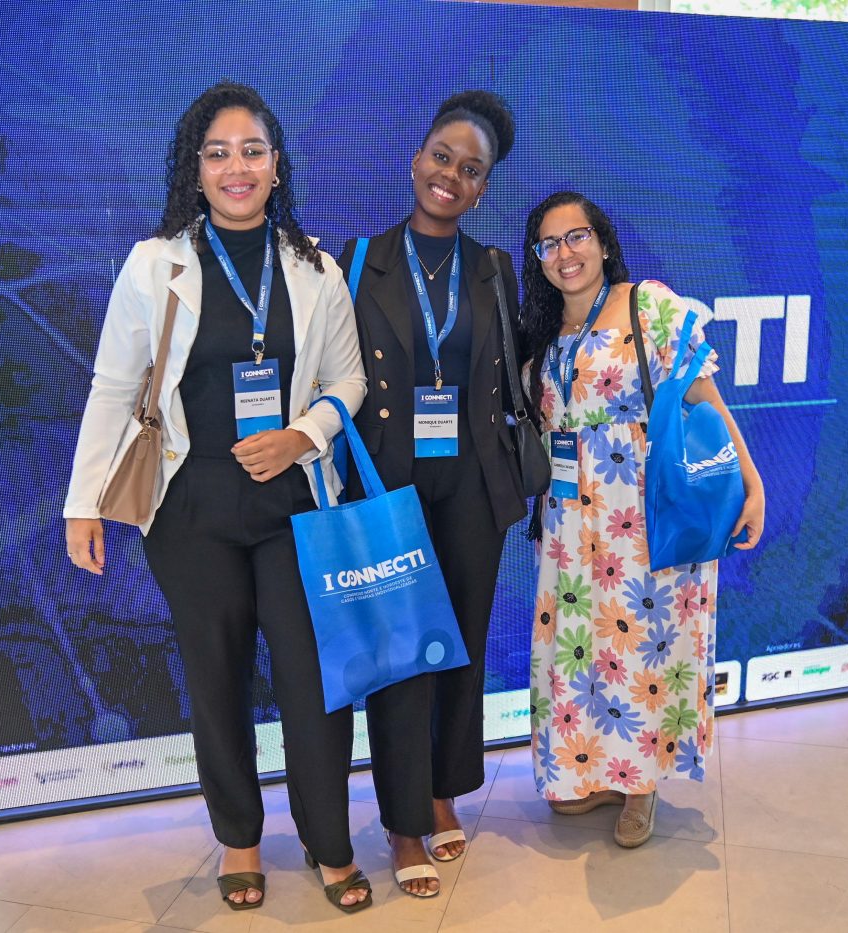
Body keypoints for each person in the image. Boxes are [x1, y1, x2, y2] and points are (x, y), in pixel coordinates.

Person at [63, 82, 371, 913]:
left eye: (252, 151)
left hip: (295, 509)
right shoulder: (153, 263)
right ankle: (239, 839)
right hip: (189, 509)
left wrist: (303, 434)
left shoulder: (315, 268)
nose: (237, 166)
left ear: (277, 167)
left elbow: (350, 378)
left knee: (314, 684)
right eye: (218, 152)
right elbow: (112, 384)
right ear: (194, 170)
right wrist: (83, 502)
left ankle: (329, 842)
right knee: (216, 680)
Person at [518, 191, 764, 848]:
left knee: (642, 646)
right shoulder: (541, 333)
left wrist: (751, 481)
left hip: (646, 510)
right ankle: (592, 768)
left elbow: (704, 397)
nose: (564, 253)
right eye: (549, 243)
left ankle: (642, 784)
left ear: (601, 240)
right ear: (537, 258)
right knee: (582, 646)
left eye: (576, 236)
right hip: (571, 524)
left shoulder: (648, 305)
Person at [335, 90, 524, 897]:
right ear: (417, 158)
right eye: (442, 156)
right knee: (401, 654)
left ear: (484, 189)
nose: (452, 174)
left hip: (474, 482)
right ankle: (403, 819)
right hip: (388, 480)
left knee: (461, 646)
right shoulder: (355, 260)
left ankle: (445, 790)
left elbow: (517, 374)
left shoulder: (494, 268)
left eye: (471, 169)